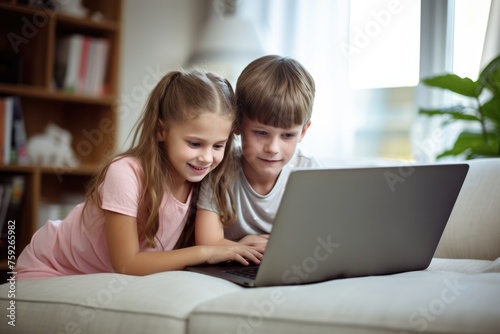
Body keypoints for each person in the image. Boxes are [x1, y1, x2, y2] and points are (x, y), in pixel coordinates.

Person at [16, 70, 263, 281]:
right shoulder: (125, 173)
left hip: (98, 278)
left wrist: (244, 241)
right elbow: (126, 266)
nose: (207, 158)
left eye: (218, 146)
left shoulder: (203, 177)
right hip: (52, 269)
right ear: (161, 130)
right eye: (195, 144)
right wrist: (205, 252)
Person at [195, 55, 320, 249]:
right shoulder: (221, 171)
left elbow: (317, 239)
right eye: (261, 133)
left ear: (303, 131)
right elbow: (206, 242)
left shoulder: (309, 172)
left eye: (287, 135)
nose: (273, 148)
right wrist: (241, 247)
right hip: (232, 264)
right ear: (237, 124)